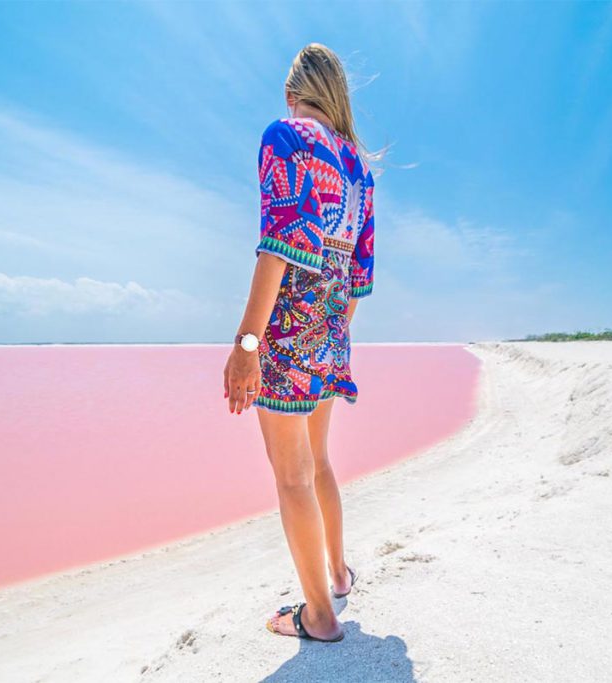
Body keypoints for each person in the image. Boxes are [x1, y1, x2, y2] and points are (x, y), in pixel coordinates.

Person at [222, 43, 378, 643]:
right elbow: (359, 275)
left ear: (293, 93)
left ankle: (318, 615)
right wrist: (332, 335)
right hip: (331, 335)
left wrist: (248, 343)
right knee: (319, 465)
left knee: (291, 476)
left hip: (286, 338)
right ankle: (336, 574)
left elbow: (279, 245)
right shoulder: (358, 168)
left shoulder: (286, 137)